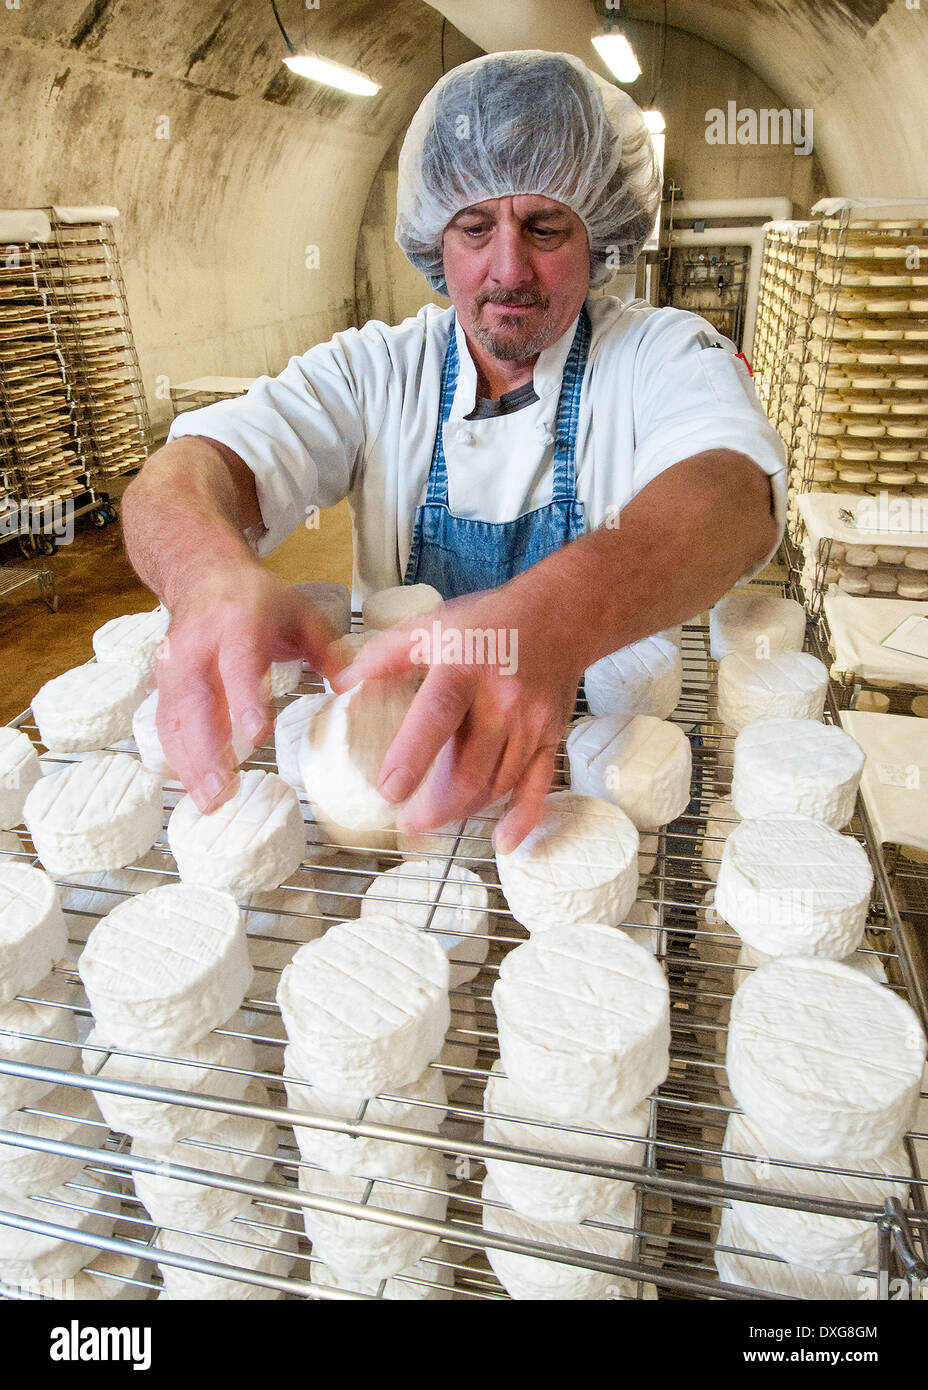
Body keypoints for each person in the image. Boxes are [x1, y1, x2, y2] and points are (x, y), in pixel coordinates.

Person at [122, 50, 785, 853]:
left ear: (601, 234)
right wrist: (207, 574)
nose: (508, 267)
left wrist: (556, 618)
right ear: (438, 238)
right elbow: (184, 473)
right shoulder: (376, 369)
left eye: (544, 227)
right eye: (475, 228)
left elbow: (732, 494)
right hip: (407, 780)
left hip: (602, 790)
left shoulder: (658, 353)